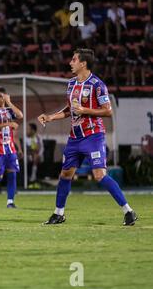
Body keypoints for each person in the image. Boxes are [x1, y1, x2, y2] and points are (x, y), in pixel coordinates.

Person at [38, 48, 138, 226]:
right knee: (65, 175)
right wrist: (51, 116)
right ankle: (58, 213)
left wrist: (85, 110)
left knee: (99, 175)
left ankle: (128, 211)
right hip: (74, 138)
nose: (70, 62)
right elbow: (70, 109)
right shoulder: (71, 84)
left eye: (74, 60)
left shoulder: (97, 85)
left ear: (83, 63)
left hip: (93, 136)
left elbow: (107, 111)